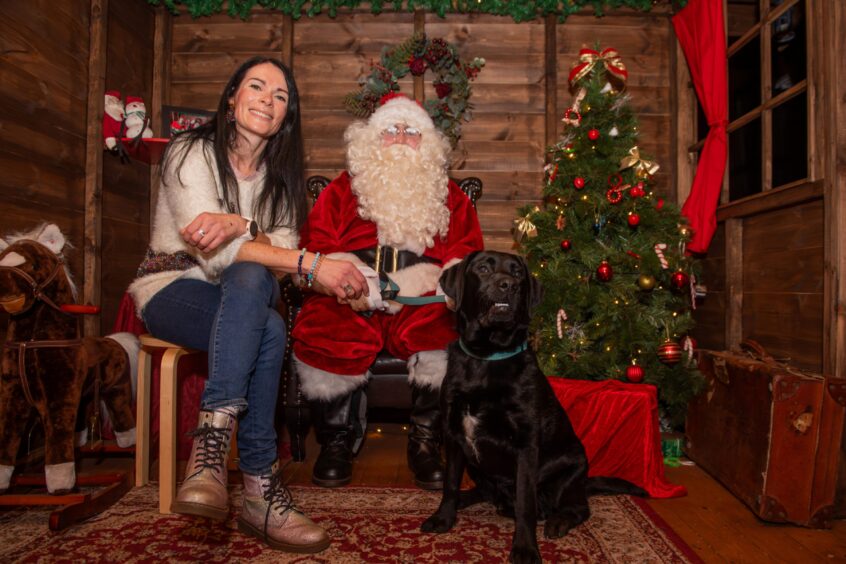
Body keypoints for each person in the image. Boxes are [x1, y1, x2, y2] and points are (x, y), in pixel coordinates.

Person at [128, 56, 367, 554]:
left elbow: (276, 261)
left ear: (286, 117)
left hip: (237, 303)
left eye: (280, 97)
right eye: (257, 87)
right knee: (262, 306)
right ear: (233, 99)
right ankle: (257, 483)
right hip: (171, 289)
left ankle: (214, 453)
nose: (267, 100)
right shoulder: (187, 151)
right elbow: (206, 244)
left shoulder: (279, 185)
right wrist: (297, 256)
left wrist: (330, 277)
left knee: (263, 308)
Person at [291, 93, 484, 490]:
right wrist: (347, 277)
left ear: (426, 142)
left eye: (411, 131)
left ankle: (426, 444)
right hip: (351, 285)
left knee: (443, 329)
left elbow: (467, 253)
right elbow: (317, 240)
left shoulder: (448, 194)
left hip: (422, 293)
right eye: (391, 130)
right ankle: (335, 442)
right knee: (325, 324)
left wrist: (442, 283)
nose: (400, 138)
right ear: (373, 139)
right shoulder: (345, 188)